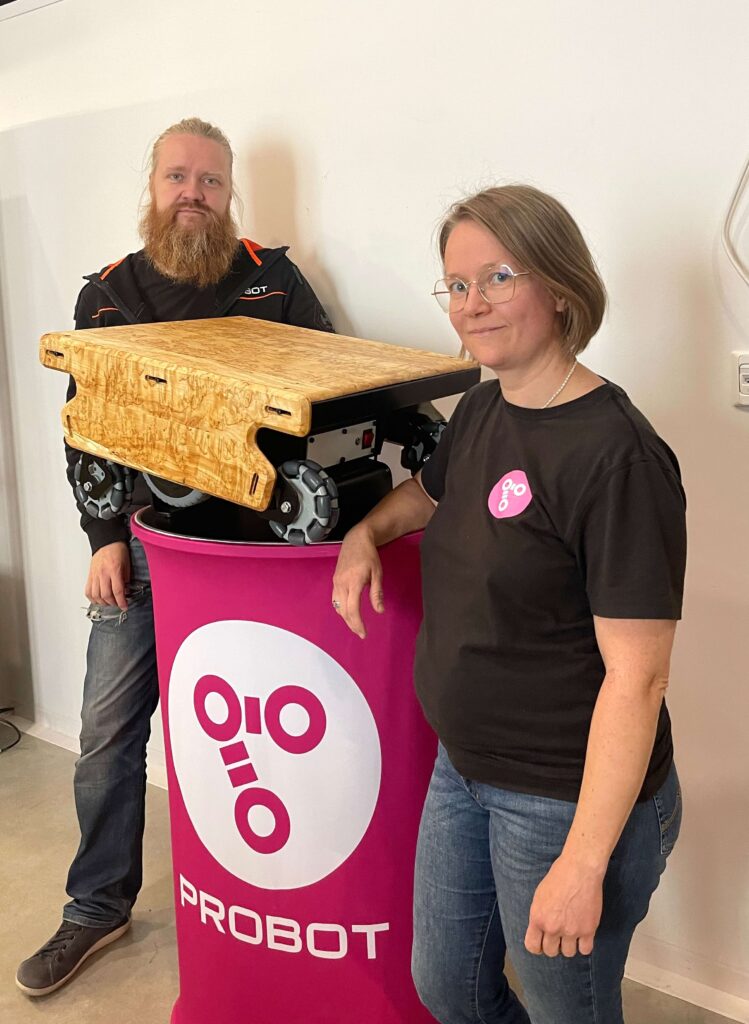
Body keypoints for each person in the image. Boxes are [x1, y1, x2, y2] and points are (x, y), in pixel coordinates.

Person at [332, 185, 685, 1024]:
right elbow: (433, 492)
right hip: (464, 768)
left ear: (558, 286)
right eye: (455, 285)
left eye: (495, 277)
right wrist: (364, 533)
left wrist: (583, 863)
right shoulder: (487, 404)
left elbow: (636, 680)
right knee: (447, 987)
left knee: (571, 1010)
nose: (471, 306)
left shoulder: (618, 458)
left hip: (561, 799)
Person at [17, 117, 333, 997]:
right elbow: (86, 430)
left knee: (263, 743)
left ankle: (274, 910)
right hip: (146, 557)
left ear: (232, 196)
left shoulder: (276, 281)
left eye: (211, 181)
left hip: (253, 560)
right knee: (106, 738)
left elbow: (320, 404)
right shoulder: (107, 296)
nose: (193, 194)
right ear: (151, 187)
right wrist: (103, 537)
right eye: (178, 178)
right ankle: (96, 907)